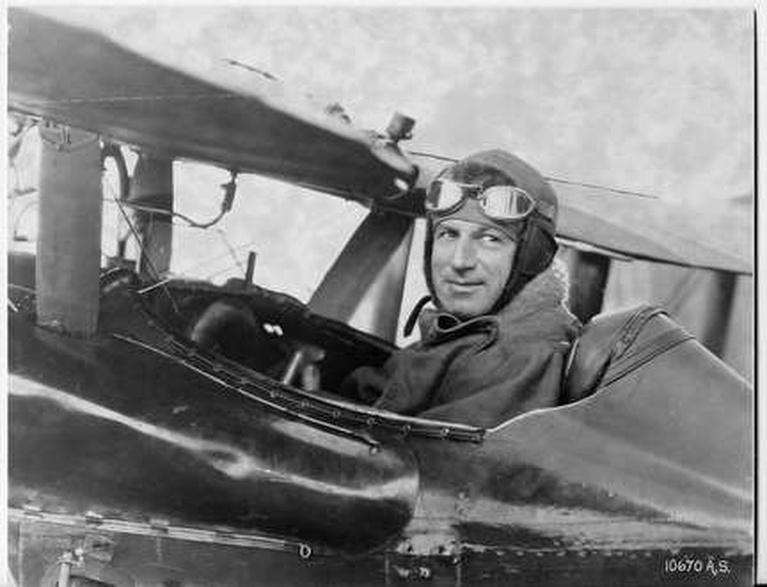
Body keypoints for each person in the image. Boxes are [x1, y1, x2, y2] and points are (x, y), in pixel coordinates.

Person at [342, 149, 581, 428]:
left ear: (532, 256)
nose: (460, 261)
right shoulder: (467, 331)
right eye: (448, 234)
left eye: (490, 239)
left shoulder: (523, 356)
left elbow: (419, 451)